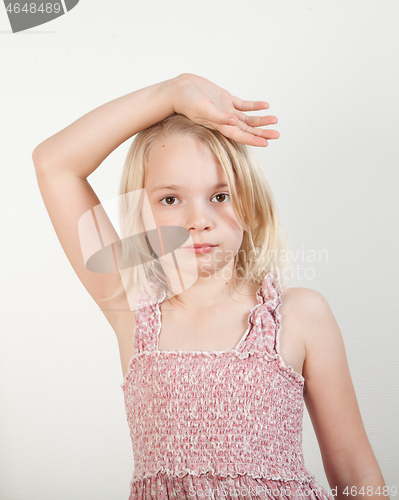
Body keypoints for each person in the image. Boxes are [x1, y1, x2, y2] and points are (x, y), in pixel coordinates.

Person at [32, 73, 387, 499]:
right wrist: (172, 92)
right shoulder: (131, 306)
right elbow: (54, 163)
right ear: (142, 215)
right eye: (170, 199)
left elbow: (355, 472)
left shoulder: (299, 316)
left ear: (251, 205)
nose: (198, 221)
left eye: (220, 196)